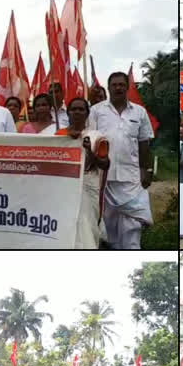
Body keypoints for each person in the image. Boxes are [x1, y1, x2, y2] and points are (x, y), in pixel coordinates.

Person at [88, 72, 154, 249]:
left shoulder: (139, 112)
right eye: (114, 85)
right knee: (108, 226)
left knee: (132, 225)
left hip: (131, 177)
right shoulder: (96, 111)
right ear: (109, 88)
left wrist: (145, 170)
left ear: (127, 87)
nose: (118, 88)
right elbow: (90, 140)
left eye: (121, 84)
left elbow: (144, 142)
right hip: (104, 177)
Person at [55, 97, 110, 249]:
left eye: (81, 109)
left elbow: (105, 164)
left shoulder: (97, 137)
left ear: (87, 113)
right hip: (64, 190)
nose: (77, 112)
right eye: (74, 109)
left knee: (87, 228)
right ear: (68, 113)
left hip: (88, 188)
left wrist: (88, 151)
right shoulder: (58, 136)